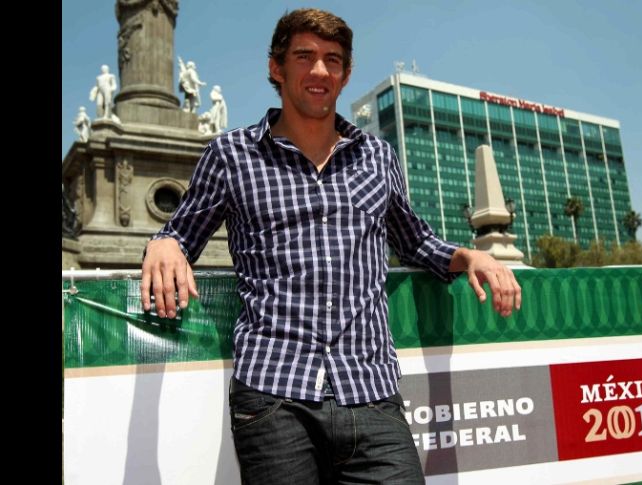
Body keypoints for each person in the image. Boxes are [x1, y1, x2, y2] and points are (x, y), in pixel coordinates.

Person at [141, 8, 521, 484]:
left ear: (344, 74)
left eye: (333, 60)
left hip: (371, 392)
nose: (320, 70)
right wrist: (164, 244)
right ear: (277, 68)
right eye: (305, 56)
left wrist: (469, 256)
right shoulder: (231, 155)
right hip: (273, 396)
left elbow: (415, 242)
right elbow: (180, 233)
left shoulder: (377, 157)